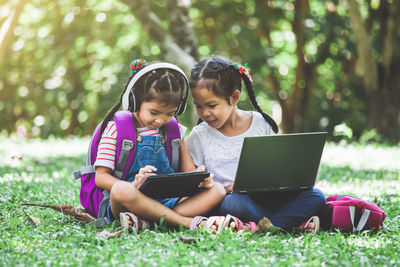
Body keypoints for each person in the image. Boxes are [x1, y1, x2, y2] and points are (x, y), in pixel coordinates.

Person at [186, 57, 326, 233]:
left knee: (316, 196)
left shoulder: (261, 124)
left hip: (268, 197)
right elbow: (190, 183)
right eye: (199, 106)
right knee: (234, 203)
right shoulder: (199, 136)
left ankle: (257, 227)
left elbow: (279, 166)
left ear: (234, 97)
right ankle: (287, 223)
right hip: (231, 202)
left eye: (212, 105)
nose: (205, 113)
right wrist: (206, 183)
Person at [94, 59, 229, 231]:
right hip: (131, 200)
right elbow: (101, 177)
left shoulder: (175, 132)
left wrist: (201, 178)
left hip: (169, 199)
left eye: (170, 114)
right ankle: (185, 222)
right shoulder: (117, 129)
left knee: (217, 190)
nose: (160, 120)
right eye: (154, 112)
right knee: (121, 190)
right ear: (136, 101)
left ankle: (148, 222)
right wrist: (132, 186)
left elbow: (188, 172)